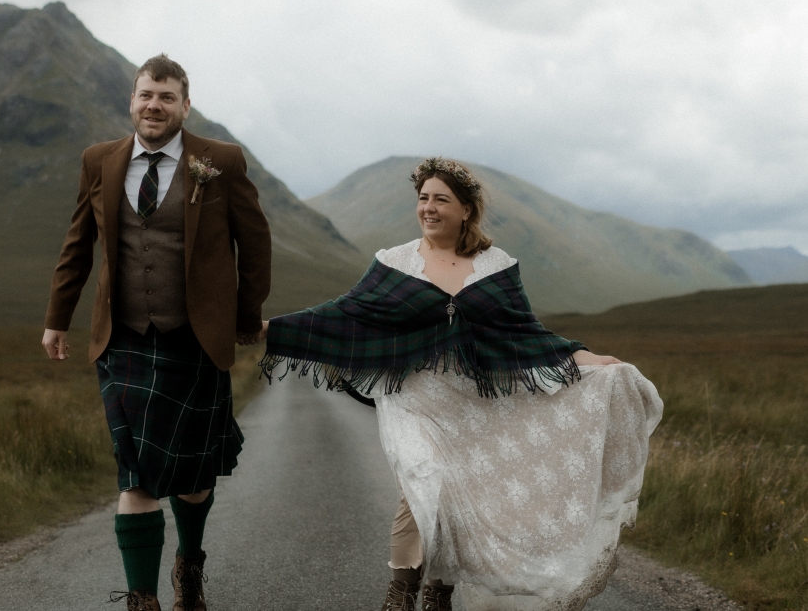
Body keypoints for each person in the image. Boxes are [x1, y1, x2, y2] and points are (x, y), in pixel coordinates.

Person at [259, 157, 662, 611]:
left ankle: (439, 592)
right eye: (423, 199)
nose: (428, 208)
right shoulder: (394, 262)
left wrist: (587, 359)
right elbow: (342, 315)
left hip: (470, 402)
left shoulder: (497, 266)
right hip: (413, 399)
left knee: (453, 496)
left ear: (467, 209)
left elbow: (526, 333)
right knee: (421, 482)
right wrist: (273, 329)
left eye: (441, 200)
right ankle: (400, 596)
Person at [42, 54, 272, 611]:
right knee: (137, 476)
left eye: (167, 97)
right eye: (147, 95)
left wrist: (246, 316)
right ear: (131, 100)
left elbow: (255, 244)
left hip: (194, 340)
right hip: (122, 341)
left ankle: (189, 566)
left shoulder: (220, 161)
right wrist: (57, 317)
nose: (155, 105)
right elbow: (79, 245)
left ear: (185, 106)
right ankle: (142, 599)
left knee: (192, 477)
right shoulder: (100, 160)